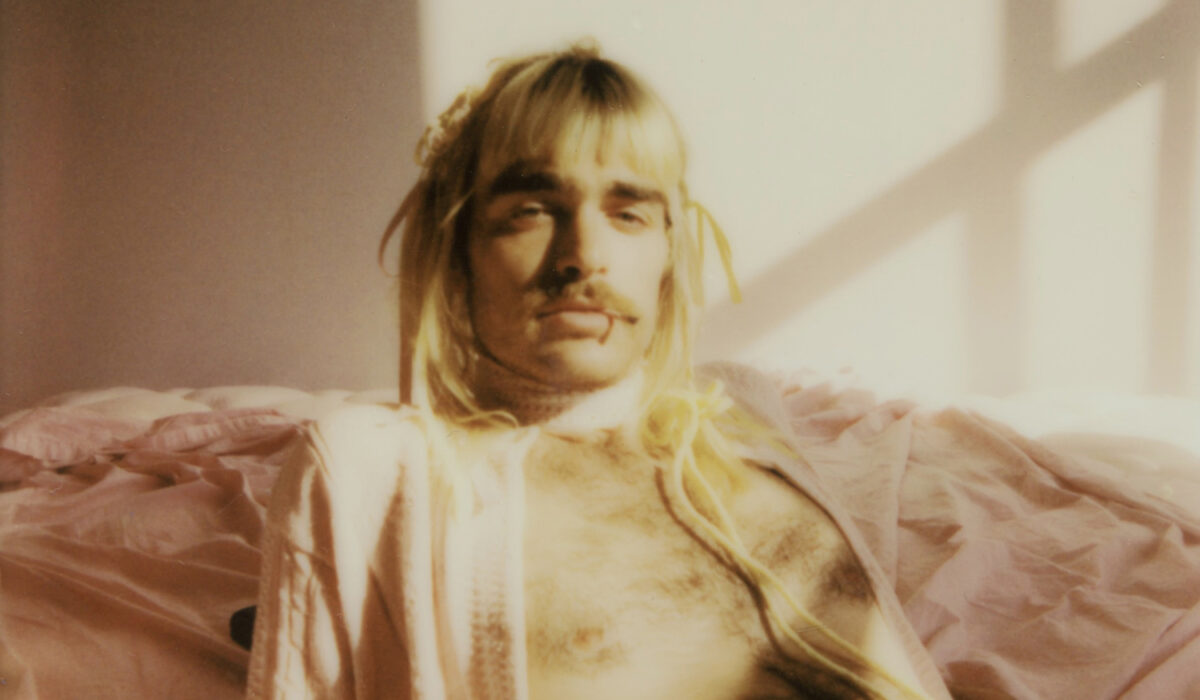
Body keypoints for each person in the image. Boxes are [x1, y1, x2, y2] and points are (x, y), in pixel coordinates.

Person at [246, 43, 952, 700]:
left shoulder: (739, 408)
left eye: (628, 213)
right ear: (458, 249)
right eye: (531, 210)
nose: (583, 255)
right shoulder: (376, 464)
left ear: (669, 249)